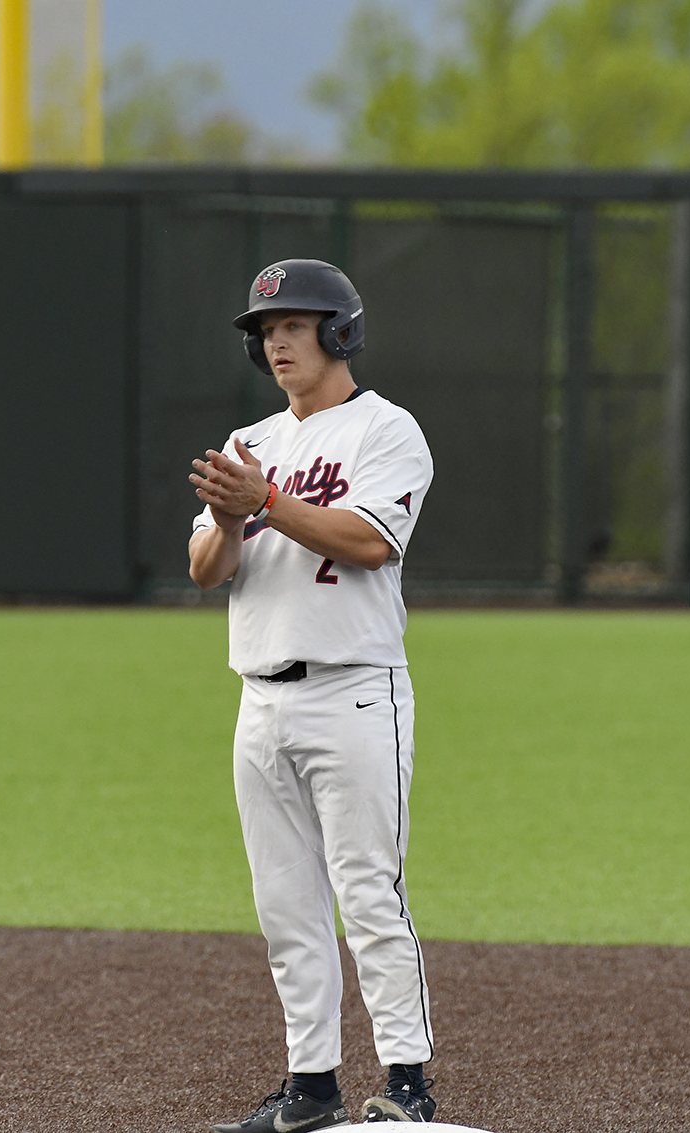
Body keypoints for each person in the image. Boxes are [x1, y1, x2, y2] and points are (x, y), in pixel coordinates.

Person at [188, 259, 437, 1129]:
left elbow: (368, 542)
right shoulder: (252, 439)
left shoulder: (387, 431)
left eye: (294, 324)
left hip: (355, 694)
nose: (276, 342)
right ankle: (312, 1087)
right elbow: (204, 569)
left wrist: (265, 499)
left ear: (339, 332)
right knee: (286, 904)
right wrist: (229, 516)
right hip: (260, 701)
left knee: (369, 893)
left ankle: (406, 1081)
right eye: (266, 331)